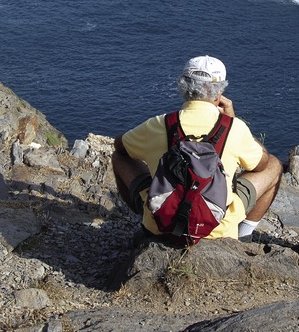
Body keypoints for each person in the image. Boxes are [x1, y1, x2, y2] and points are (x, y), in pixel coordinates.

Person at [112, 55, 283, 241]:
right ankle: (244, 235)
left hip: (161, 225)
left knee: (118, 158)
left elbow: (120, 147)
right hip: (217, 230)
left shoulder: (159, 124)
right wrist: (233, 120)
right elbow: (261, 164)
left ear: (183, 86)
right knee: (274, 164)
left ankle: (147, 219)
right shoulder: (234, 128)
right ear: (219, 93)